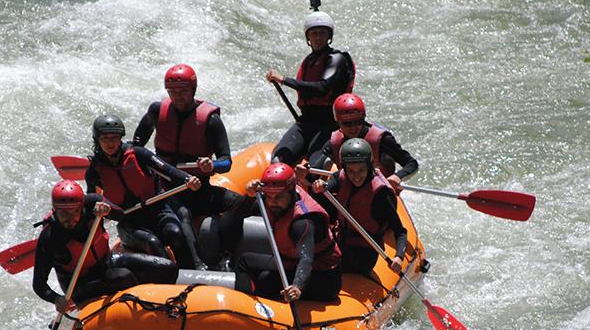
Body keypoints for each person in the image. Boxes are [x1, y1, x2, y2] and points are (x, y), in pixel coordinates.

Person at [132, 64, 245, 268]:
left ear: (193, 90)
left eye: (183, 91)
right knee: (181, 212)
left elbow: (226, 162)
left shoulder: (211, 120)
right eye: (172, 92)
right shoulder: (157, 110)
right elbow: (137, 143)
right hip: (166, 187)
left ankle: (226, 256)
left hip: (198, 186)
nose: (177, 97)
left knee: (240, 203)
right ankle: (195, 264)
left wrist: (212, 165)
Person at [32, 180, 177, 312]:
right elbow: (39, 284)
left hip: (107, 262)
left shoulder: (93, 204)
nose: (70, 219)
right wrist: (57, 299)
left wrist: (108, 210)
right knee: (123, 277)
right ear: (55, 210)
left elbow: (120, 215)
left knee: (167, 268)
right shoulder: (50, 238)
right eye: (64, 214)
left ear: (82, 207)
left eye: (75, 212)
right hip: (80, 284)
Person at [84, 114, 202, 268]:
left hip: (158, 210)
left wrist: (187, 179)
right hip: (129, 221)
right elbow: (91, 200)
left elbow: (168, 170)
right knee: (152, 243)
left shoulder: (138, 154)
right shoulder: (94, 170)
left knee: (176, 233)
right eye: (105, 138)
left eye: (114, 137)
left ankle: (191, 270)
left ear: (120, 138)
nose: (110, 142)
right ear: (97, 140)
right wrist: (97, 209)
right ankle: (170, 277)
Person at [229, 162, 342, 302]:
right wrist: (249, 196)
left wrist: (297, 287)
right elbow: (235, 216)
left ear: (291, 191)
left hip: (322, 278)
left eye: (278, 197)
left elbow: (306, 259)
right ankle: (244, 303)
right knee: (244, 261)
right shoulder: (273, 197)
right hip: (290, 263)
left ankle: (261, 309)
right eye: (269, 197)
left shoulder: (303, 221)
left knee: (264, 281)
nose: (272, 202)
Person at [266, 1, 355, 166]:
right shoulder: (309, 61)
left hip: (329, 123)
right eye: (314, 33)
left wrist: (284, 80)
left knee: (315, 167)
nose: (318, 37)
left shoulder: (337, 59)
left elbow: (323, 88)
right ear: (308, 37)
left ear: (329, 36)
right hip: (306, 121)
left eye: (322, 33)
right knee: (278, 160)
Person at [311, 139, 408, 277]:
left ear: (369, 166)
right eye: (351, 171)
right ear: (344, 168)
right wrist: (318, 187)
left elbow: (401, 232)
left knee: (324, 268)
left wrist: (399, 256)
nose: (356, 177)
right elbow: (321, 195)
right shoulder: (339, 177)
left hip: (364, 252)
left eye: (361, 170)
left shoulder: (381, 193)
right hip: (341, 239)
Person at [307, 93, 418, 193]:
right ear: (338, 122)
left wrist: (397, 177)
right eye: (347, 123)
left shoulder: (382, 139)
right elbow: (313, 173)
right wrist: (305, 172)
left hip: (381, 193)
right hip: (349, 193)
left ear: (363, 118)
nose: (353, 128)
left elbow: (411, 163)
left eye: (358, 122)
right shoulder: (334, 142)